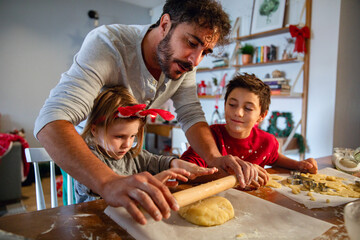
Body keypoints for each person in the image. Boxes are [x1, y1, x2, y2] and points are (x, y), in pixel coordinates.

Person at [34, 0, 259, 224]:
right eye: (191, 42)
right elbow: (51, 120)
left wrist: (214, 158)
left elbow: (190, 113)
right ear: (165, 24)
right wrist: (107, 182)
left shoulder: (185, 62)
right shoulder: (108, 44)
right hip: (89, 166)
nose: (195, 60)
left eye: (205, 52)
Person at [75, 86, 217, 205]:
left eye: (132, 136)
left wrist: (177, 163)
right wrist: (148, 185)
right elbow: (106, 199)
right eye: (119, 137)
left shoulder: (131, 154)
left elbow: (156, 161)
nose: (127, 144)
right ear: (94, 130)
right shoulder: (88, 160)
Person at [181, 73, 318, 187]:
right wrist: (231, 175)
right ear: (225, 105)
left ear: (261, 116)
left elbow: (274, 157)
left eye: (248, 108)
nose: (238, 113)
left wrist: (299, 165)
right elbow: (183, 173)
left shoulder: (266, 141)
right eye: (232, 104)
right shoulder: (207, 139)